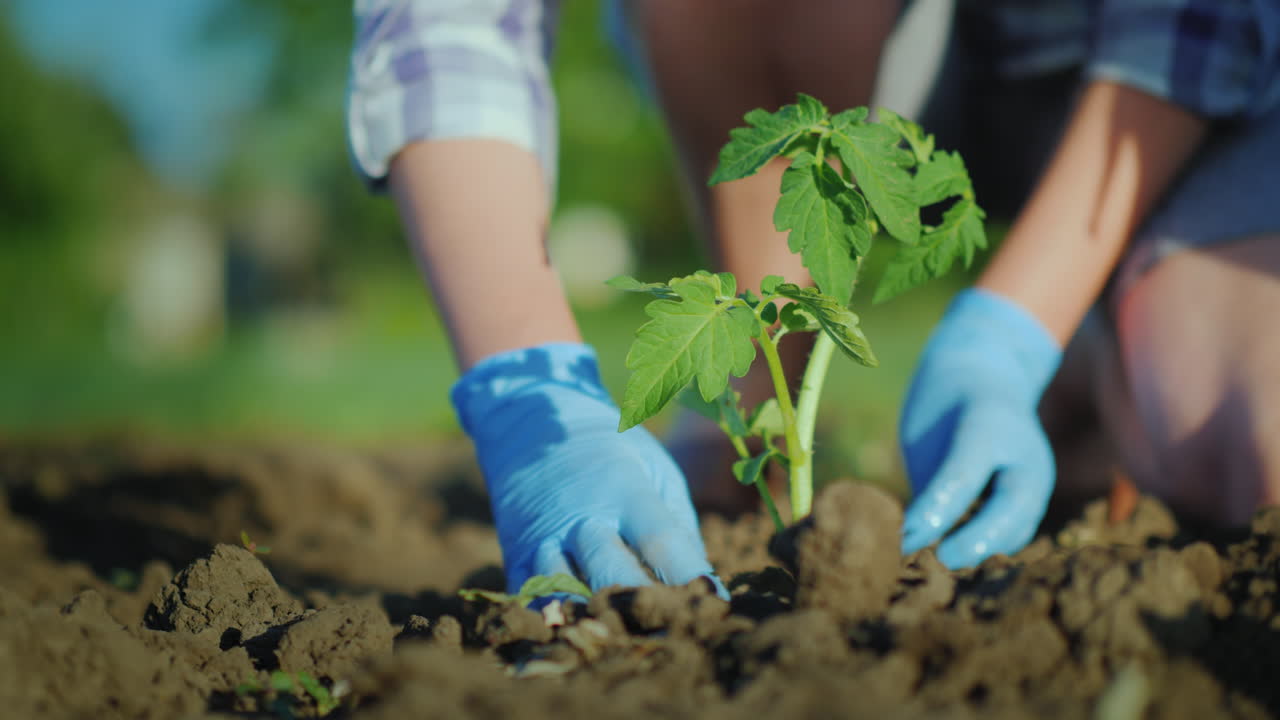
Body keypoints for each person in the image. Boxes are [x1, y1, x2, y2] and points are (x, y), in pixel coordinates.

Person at [346, 0, 1280, 591]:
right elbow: (446, 29)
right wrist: (526, 388)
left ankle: (1084, 337)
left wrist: (1010, 332)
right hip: (878, 52)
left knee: (1253, 450)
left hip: (1179, 84)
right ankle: (758, 408)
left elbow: (1196, 20)